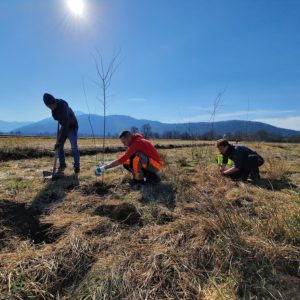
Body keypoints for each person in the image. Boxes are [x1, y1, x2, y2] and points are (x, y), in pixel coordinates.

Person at [95, 131, 163, 185]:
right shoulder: (135, 141)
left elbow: (123, 158)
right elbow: (122, 158)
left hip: (156, 165)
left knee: (134, 157)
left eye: (124, 142)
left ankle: (139, 181)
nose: (124, 144)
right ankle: (150, 176)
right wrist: (106, 164)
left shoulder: (137, 143)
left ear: (129, 137)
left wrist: (104, 168)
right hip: (151, 164)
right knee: (126, 161)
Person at [43, 93, 80, 173]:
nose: (51, 108)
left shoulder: (63, 106)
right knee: (59, 147)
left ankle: (77, 166)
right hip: (64, 126)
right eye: (49, 107)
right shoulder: (54, 111)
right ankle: (62, 164)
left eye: (51, 105)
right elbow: (58, 119)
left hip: (72, 126)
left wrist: (60, 141)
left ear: (54, 102)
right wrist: (59, 142)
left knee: (73, 147)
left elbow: (66, 125)